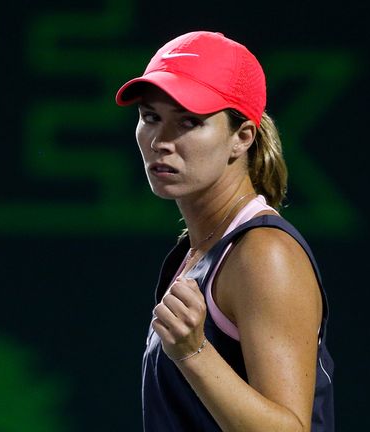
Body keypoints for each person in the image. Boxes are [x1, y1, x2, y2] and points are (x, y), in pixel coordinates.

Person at [115, 31, 334, 431]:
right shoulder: (197, 252)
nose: (162, 141)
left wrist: (195, 352)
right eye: (151, 118)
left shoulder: (265, 254)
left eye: (189, 122)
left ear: (242, 138)